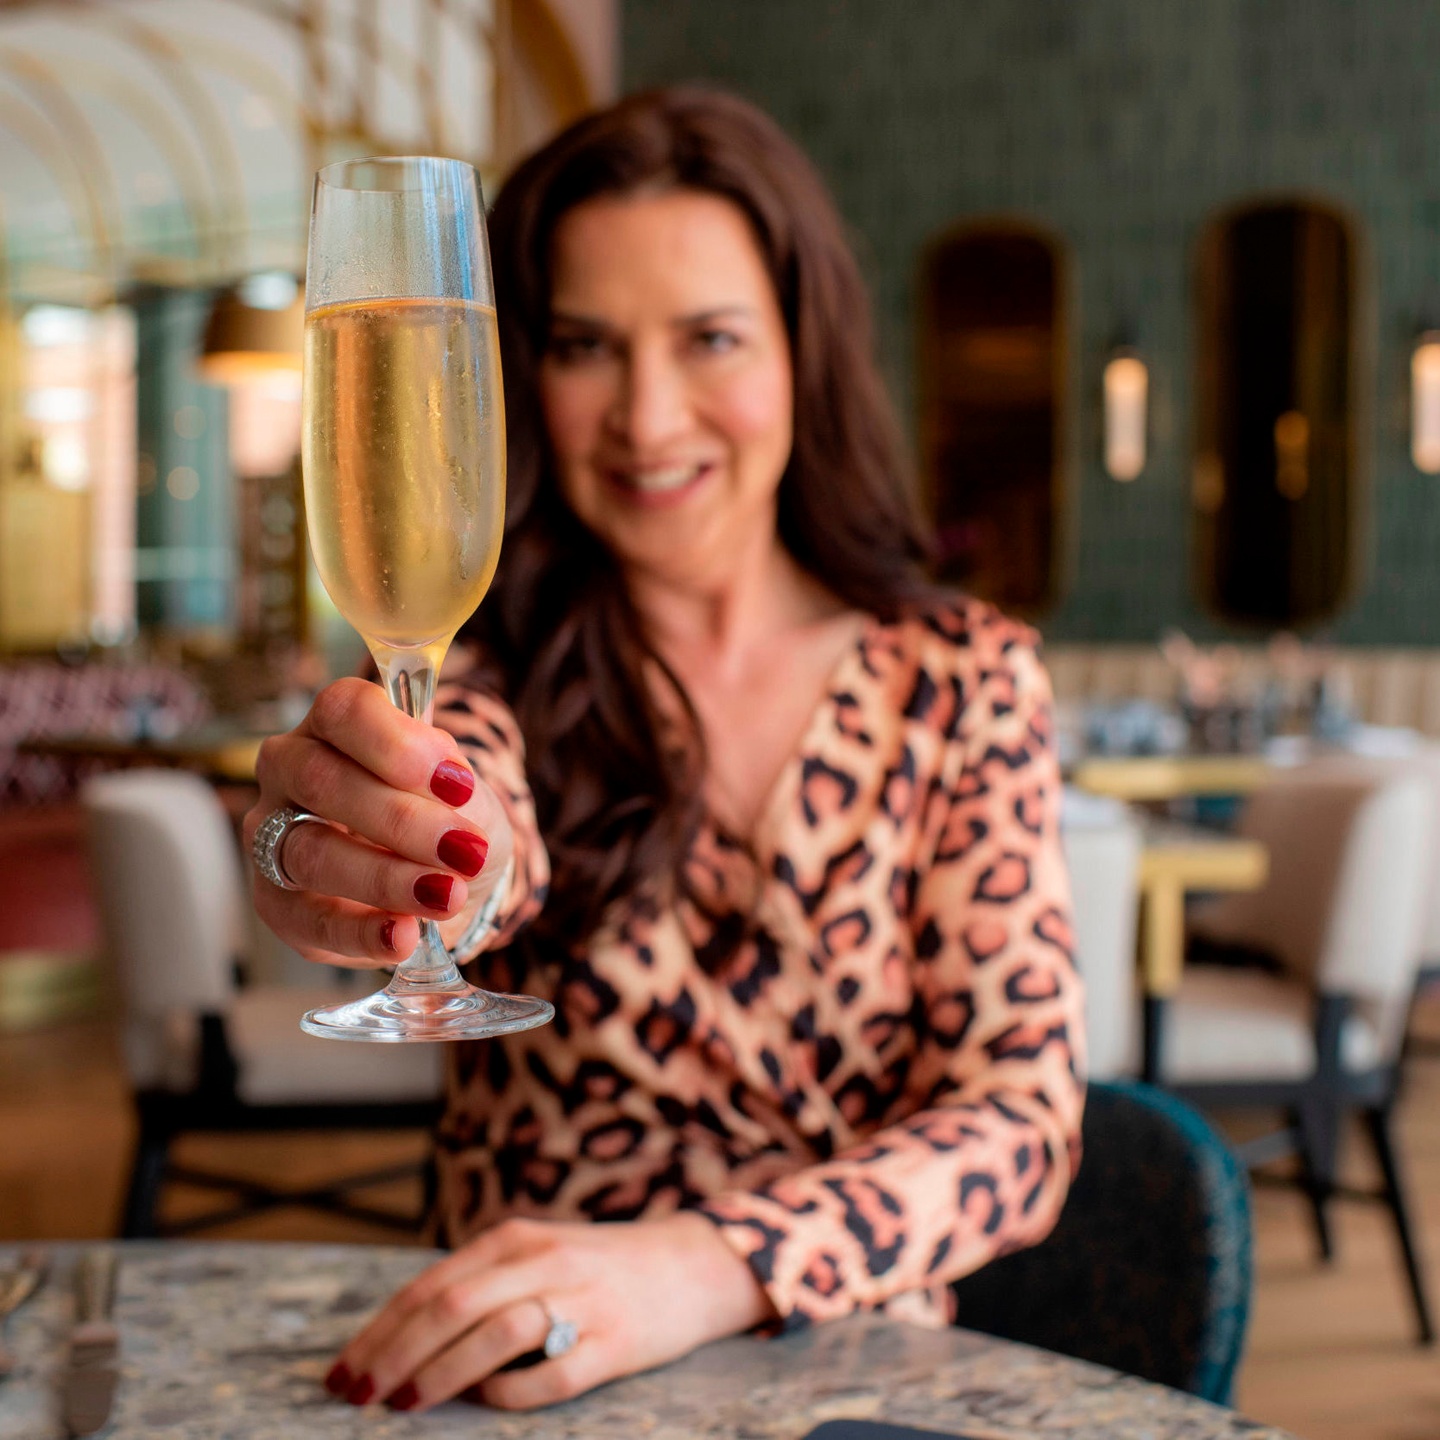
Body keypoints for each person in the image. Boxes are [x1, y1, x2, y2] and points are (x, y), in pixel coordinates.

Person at [245, 86, 1085, 1415]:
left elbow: (1020, 1121)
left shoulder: (961, 680)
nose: (646, 416)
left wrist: (704, 1266)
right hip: (522, 1391)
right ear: (522, 376)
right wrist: (403, 862)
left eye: (710, 339)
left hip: (859, 1385)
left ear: (803, 351)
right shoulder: (490, 656)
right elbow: (477, 815)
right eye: (585, 346)